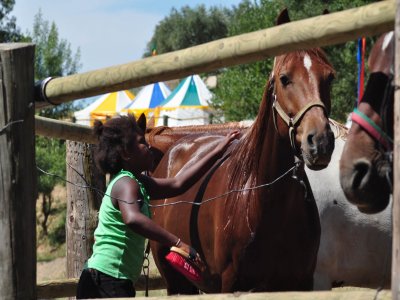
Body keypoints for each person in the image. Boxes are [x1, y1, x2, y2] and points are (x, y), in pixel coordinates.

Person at [76, 114, 239, 298]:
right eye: (141, 143)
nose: (149, 147)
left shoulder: (138, 181)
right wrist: (178, 243)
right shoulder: (126, 183)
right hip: (106, 281)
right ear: (125, 153)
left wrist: (218, 150)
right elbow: (133, 218)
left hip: (112, 280)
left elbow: (179, 183)